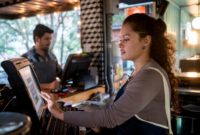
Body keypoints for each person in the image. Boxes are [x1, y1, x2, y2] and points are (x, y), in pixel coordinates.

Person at [41, 13, 178, 135]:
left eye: (126, 39)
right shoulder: (141, 71)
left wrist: (60, 114)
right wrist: (101, 126)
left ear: (146, 41)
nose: (120, 44)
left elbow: (111, 118)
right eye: (120, 40)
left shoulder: (149, 76)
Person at [22, 24, 62, 91]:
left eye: (50, 39)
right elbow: (25, 85)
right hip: (38, 99)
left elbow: (61, 74)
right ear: (37, 39)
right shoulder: (25, 59)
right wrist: (48, 86)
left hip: (55, 96)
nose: (49, 42)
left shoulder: (52, 56)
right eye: (46, 39)